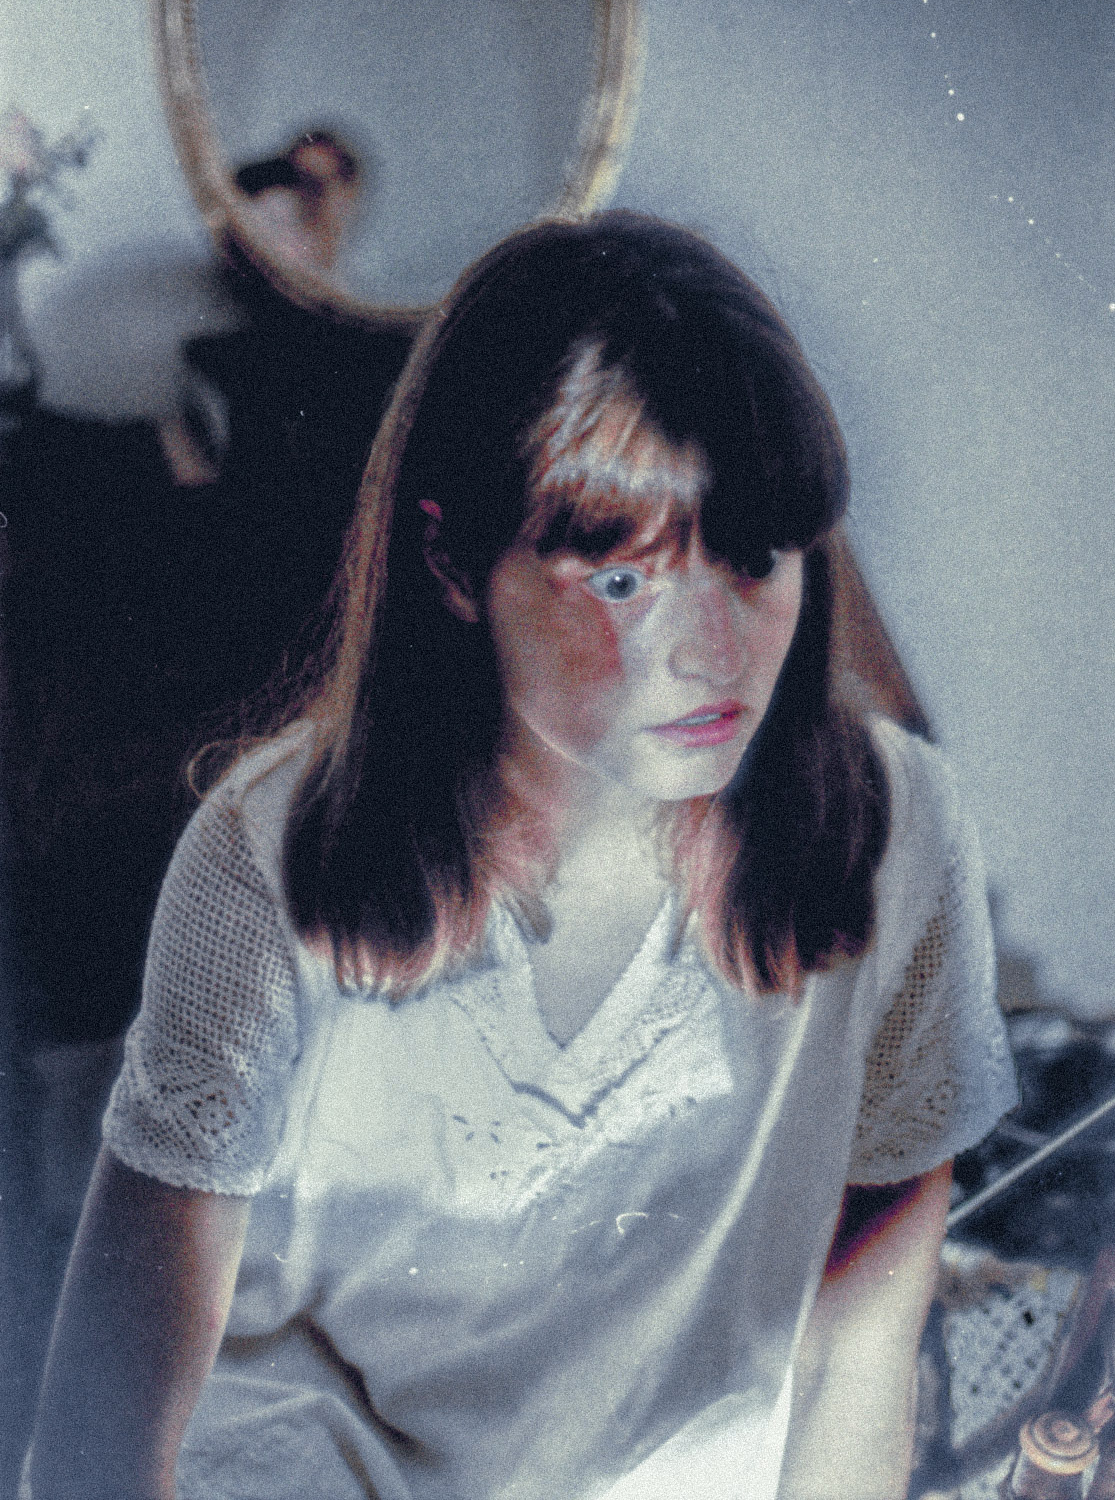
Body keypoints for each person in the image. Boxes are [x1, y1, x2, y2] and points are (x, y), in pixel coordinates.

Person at [26, 213, 1018, 1500]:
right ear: (450, 560)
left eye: (754, 560)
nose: (712, 652)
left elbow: (855, 1352)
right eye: (621, 581)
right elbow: (103, 1428)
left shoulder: (895, 832)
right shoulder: (262, 862)